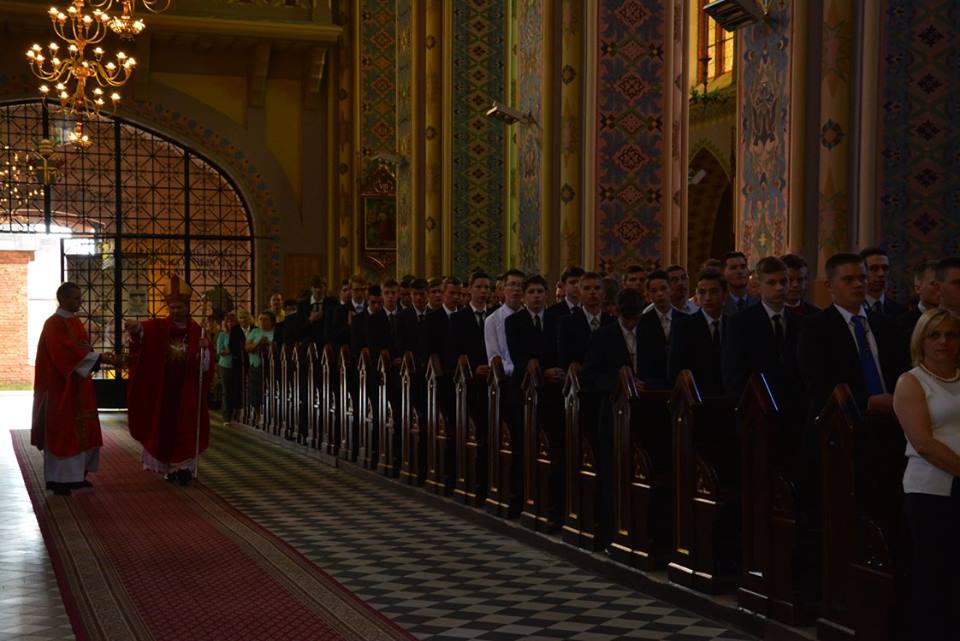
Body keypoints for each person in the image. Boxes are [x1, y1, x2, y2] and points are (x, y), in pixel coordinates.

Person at [892, 308, 960, 641]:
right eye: (935, 335)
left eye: (951, 334)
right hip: (931, 490)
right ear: (921, 340)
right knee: (935, 576)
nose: (943, 341)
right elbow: (923, 443)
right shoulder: (912, 381)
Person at [125, 274, 213, 485]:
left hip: (187, 390)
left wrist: (205, 350)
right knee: (161, 426)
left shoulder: (197, 331)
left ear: (187, 307)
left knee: (186, 427)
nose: (176, 311)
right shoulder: (159, 327)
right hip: (163, 388)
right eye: (172, 307)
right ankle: (166, 468)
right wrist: (136, 328)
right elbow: (144, 333)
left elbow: (205, 366)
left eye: (180, 307)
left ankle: (184, 469)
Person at [31, 282, 116, 496]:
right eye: (76, 298)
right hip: (61, 389)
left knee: (83, 430)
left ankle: (77, 476)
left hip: (78, 385)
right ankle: (60, 480)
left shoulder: (74, 321)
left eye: (80, 297)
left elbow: (82, 349)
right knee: (64, 433)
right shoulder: (53, 324)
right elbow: (65, 354)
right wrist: (100, 358)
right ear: (63, 299)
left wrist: (96, 357)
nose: (80, 301)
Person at [798, 253, 905, 418]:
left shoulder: (886, 324)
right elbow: (817, 382)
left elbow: (901, 369)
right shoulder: (815, 328)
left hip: (895, 414)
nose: (858, 284)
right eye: (848, 280)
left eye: (862, 278)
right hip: (846, 417)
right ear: (829, 286)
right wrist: (867, 402)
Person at [722, 256, 800, 410]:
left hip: (794, 407)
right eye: (772, 283)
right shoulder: (741, 323)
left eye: (783, 281)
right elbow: (732, 372)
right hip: (756, 406)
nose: (779, 288)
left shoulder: (799, 322)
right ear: (758, 286)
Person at [668, 269, 730, 397]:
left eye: (713, 292)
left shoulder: (732, 324)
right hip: (697, 396)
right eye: (702, 292)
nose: (707, 298)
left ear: (724, 294)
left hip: (729, 396)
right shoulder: (684, 326)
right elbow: (676, 368)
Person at [505, 274, 564, 385]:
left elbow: (560, 352)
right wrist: (542, 373)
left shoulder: (557, 320)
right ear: (523, 296)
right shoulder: (513, 321)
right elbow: (517, 357)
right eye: (531, 292)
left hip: (553, 380)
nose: (536, 295)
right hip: (524, 382)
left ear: (546, 295)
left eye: (540, 291)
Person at [557, 271, 615, 369]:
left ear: (604, 294)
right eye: (587, 288)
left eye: (597, 288)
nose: (592, 292)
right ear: (579, 294)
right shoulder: (567, 323)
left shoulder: (613, 322)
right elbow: (563, 356)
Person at [445, 271, 492, 375]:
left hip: (493, 373)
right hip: (469, 374)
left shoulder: (494, 315)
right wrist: (473, 368)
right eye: (478, 287)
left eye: (486, 287)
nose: (483, 291)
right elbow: (453, 351)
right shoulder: (458, 318)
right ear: (470, 289)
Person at [636, 270, 675, 390]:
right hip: (652, 384)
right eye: (654, 291)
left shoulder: (685, 319)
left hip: (679, 381)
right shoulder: (642, 322)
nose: (660, 294)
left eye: (663, 289)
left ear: (670, 289)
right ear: (648, 295)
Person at [484, 269, 525, 376]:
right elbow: (494, 357)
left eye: (520, 286)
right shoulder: (492, 320)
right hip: (506, 376)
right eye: (512, 284)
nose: (516, 289)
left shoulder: (529, 317)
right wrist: (518, 370)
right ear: (503, 288)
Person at [860, 247, 907, 317]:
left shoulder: (900, 311)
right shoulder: (854, 308)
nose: (881, 274)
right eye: (874, 268)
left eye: (885, 268)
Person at [245, 311, 276, 418]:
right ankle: (258, 415)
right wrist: (258, 343)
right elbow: (247, 348)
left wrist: (270, 344)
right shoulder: (254, 332)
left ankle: (272, 414)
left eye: (265, 319)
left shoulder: (276, 332)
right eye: (260, 319)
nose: (262, 321)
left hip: (272, 366)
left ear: (272, 321)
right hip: (256, 365)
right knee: (256, 390)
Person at [216, 312, 239, 426]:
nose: (231, 323)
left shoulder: (238, 334)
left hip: (237, 365)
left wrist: (232, 350)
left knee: (236, 390)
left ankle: (236, 414)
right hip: (225, 365)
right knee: (227, 391)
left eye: (233, 321)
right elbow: (220, 351)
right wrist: (230, 351)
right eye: (229, 321)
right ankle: (226, 416)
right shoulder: (223, 335)